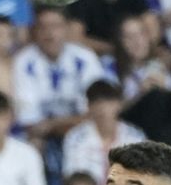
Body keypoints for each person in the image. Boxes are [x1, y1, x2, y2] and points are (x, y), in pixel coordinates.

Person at [12, 8, 106, 144]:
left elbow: (96, 112)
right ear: (34, 32)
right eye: (43, 27)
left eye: (56, 26)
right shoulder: (23, 61)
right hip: (42, 138)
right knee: (33, 142)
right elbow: (30, 122)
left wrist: (51, 124)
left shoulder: (85, 57)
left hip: (82, 132)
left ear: (67, 29)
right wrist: (65, 123)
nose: (49, 34)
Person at [62, 79, 144, 185]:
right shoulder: (76, 138)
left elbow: (141, 176)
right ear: (88, 107)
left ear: (119, 104)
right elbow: (73, 178)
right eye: (95, 102)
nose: (101, 108)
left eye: (108, 101)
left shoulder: (135, 137)